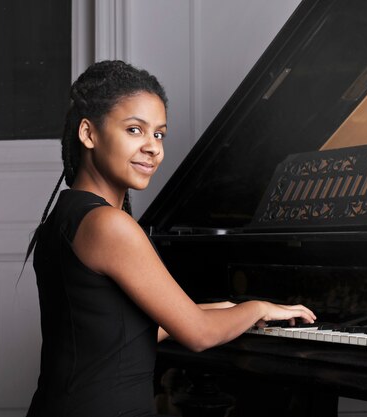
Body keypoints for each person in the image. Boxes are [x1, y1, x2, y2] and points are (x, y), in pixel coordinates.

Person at [25, 60, 316, 417]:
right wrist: (257, 307)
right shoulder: (109, 225)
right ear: (88, 134)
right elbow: (199, 335)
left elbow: (109, 337)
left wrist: (215, 310)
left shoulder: (64, 217)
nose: (153, 147)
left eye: (158, 134)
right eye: (135, 130)